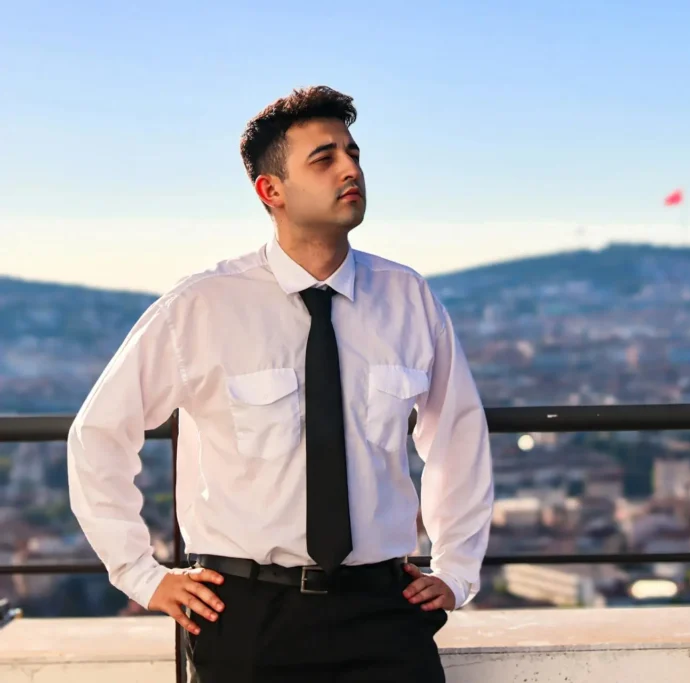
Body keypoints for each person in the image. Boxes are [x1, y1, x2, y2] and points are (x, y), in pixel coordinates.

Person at [67, 85, 495, 682]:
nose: (351, 168)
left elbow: (457, 436)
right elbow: (98, 434)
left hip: (383, 610)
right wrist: (142, 575)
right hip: (246, 616)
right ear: (272, 191)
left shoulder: (407, 297)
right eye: (324, 159)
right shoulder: (203, 305)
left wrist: (456, 570)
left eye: (353, 152)